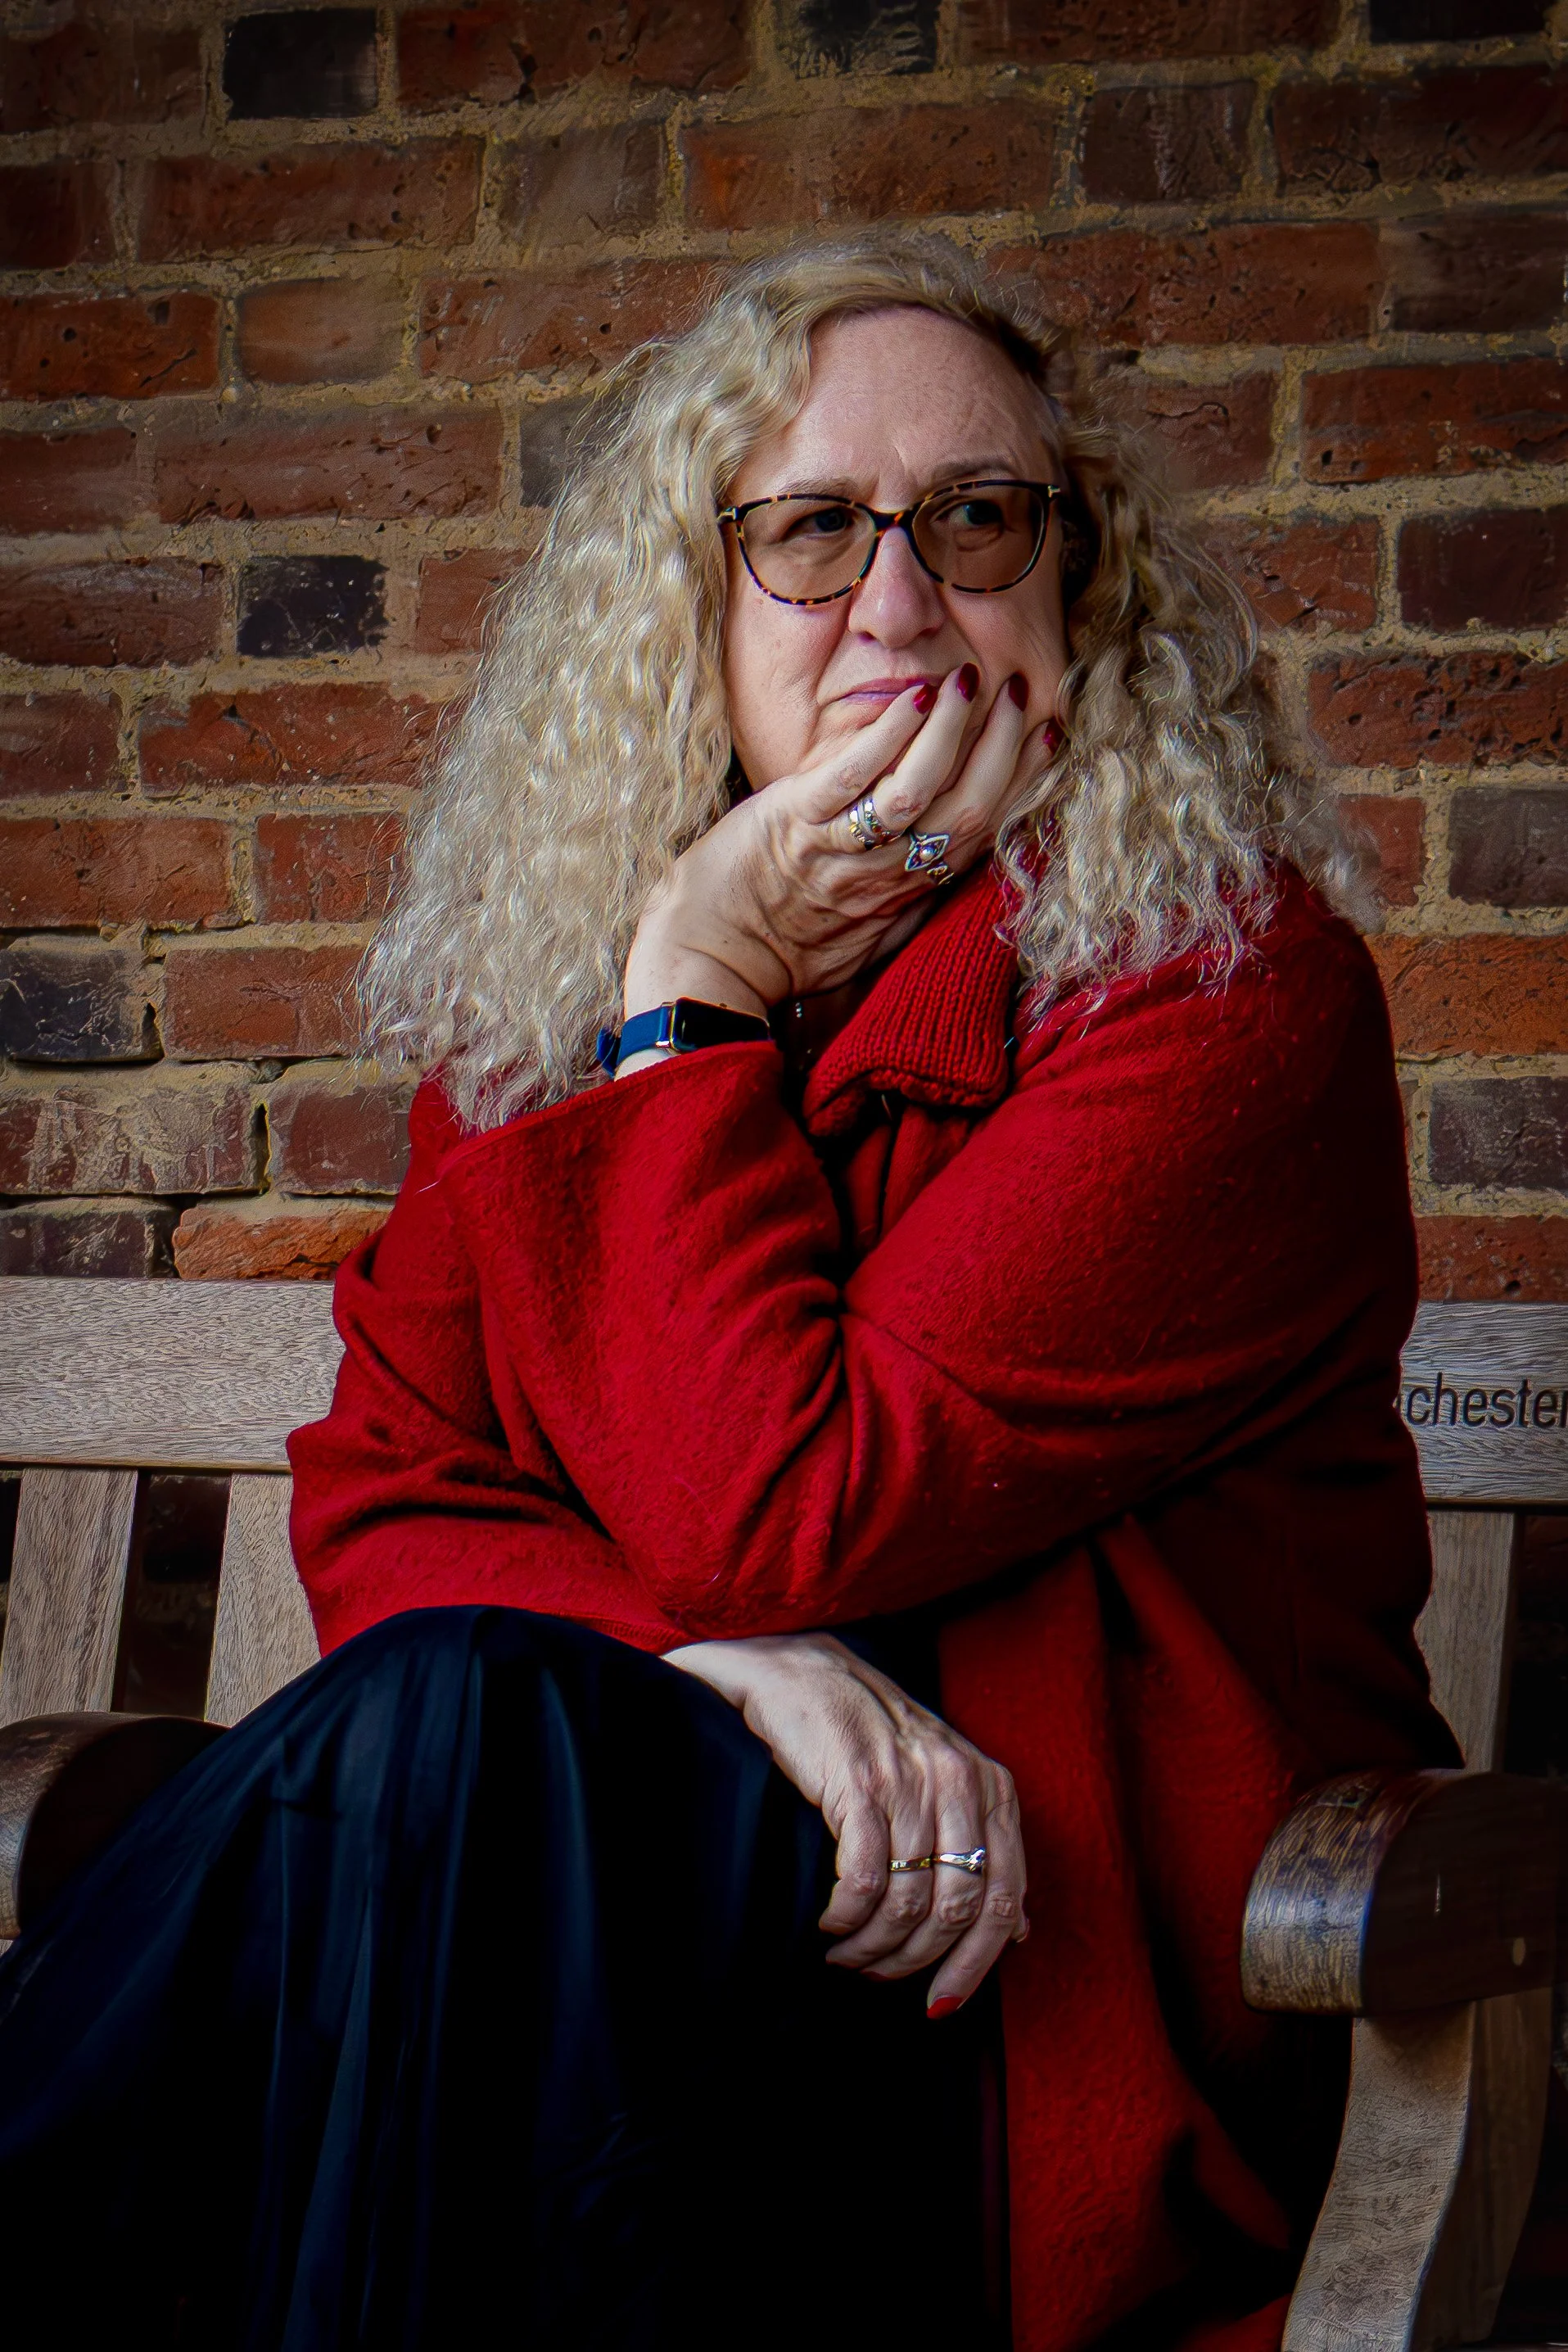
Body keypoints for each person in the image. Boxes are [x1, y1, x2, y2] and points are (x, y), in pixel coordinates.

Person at [0, 234, 1449, 2352]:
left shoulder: (1216, 994)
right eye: (805, 534)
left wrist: (692, 1008)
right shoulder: (532, 1024)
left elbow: (785, 1509)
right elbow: (387, 1486)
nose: (894, 601)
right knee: (440, 1762)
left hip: (1002, 2029)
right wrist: (736, 1666)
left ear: (1080, 584)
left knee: (439, 1754)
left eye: (976, 519)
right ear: (689, 615)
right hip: (578, 1982)